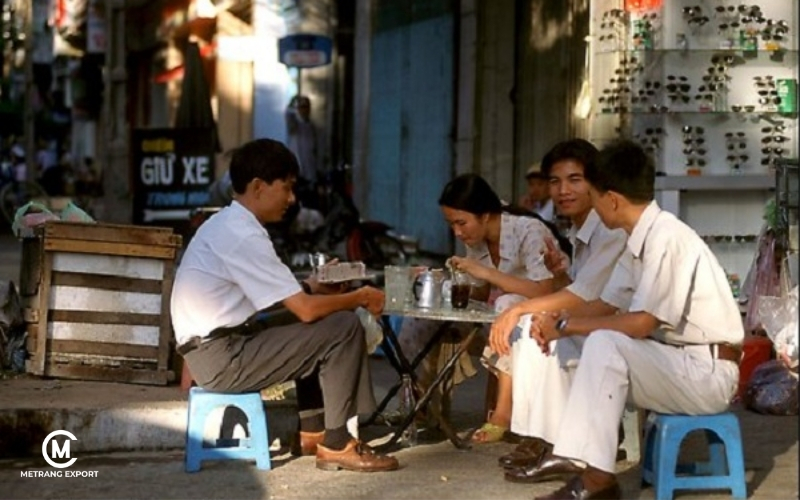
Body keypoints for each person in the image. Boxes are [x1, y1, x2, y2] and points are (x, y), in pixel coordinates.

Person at [502, 140, 743, 500]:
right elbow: (603, 304)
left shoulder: (667, 237)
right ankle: (584, 466)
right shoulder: (638, 239)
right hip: (679, 363)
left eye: (595, 197)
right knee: (593, 341)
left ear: (611, 200)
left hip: (708, 373)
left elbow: (641, 323)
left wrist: (566, 326)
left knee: (605, 342)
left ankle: (596, 481)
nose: (594, 207)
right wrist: (554, 322)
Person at [171, 138, 399, 473]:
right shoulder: (243, 234)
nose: (292, 199)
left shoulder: (229, 223)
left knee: (311, 322)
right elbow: (306, 309)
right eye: (287, 188)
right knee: (342, 325)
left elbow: (284, 296)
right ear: (259, 187)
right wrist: (360, 297)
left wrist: (312, 287)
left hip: (215, 347)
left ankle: (313, 429)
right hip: (223, 358)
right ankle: (337, 444)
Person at [487, 139, 627, 471]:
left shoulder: (609, 231)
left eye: (574, 180)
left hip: (620, 332)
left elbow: (587, 298)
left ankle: (554, 441)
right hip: (598, 324)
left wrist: (518, 309)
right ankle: (540, 435)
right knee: (533, 325)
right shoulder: (583, 232)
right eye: (555, 181)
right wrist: (560, 275)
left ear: (596, 182)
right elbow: (584, 291)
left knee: (531, 322)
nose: (563, 190)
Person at [398, 173, 569, 444]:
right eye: (451, 224)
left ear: (486, 215)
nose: (457, 232)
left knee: (506, 304)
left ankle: (502, 413)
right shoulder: (476, 242)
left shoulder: (528, 231)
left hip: (547, 313)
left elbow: (544, 291)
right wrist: (441, 280)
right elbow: (480, 291)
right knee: (417, 321)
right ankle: (418, 404)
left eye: (461, 223)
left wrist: (485, 274)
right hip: (496, 316)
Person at [285, 95, 320, 185]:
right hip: (297, 171)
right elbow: (288, 114)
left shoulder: (312, 127)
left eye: (306, 107)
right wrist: (293, 101)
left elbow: (315, 149)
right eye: (302, 107)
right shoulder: (295, 125)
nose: (304, 110)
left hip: (310, 171)